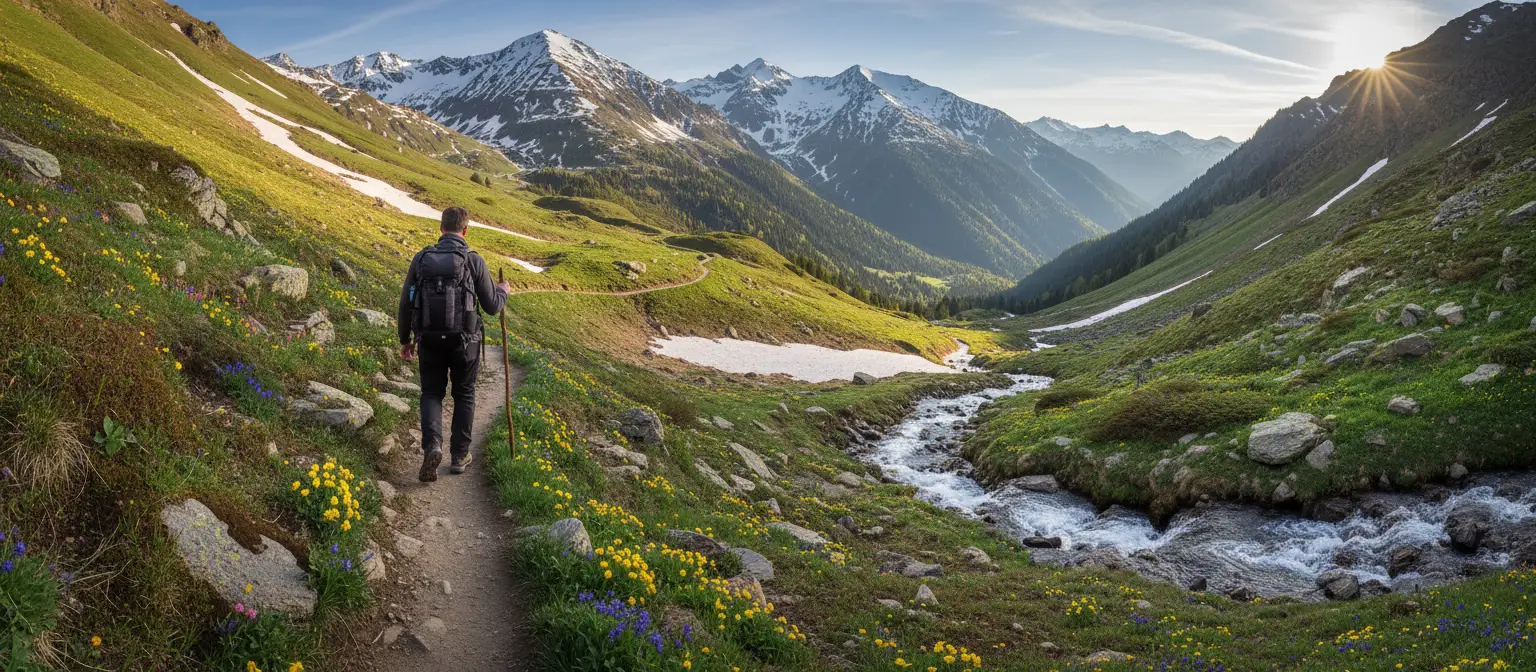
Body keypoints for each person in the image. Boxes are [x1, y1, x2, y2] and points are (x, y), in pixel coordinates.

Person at [397, 207, 511, 482]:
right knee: (464, 394)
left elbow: (405, 302)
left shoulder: (422, 257)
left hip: (429, 340)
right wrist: (503, 291)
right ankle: (459, 456)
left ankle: (432, 446)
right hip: (465, 343)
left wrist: (405, 339)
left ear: (441, 228)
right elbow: (492, 306)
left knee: (432, 394)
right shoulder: (473, 260)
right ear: (465, 230)